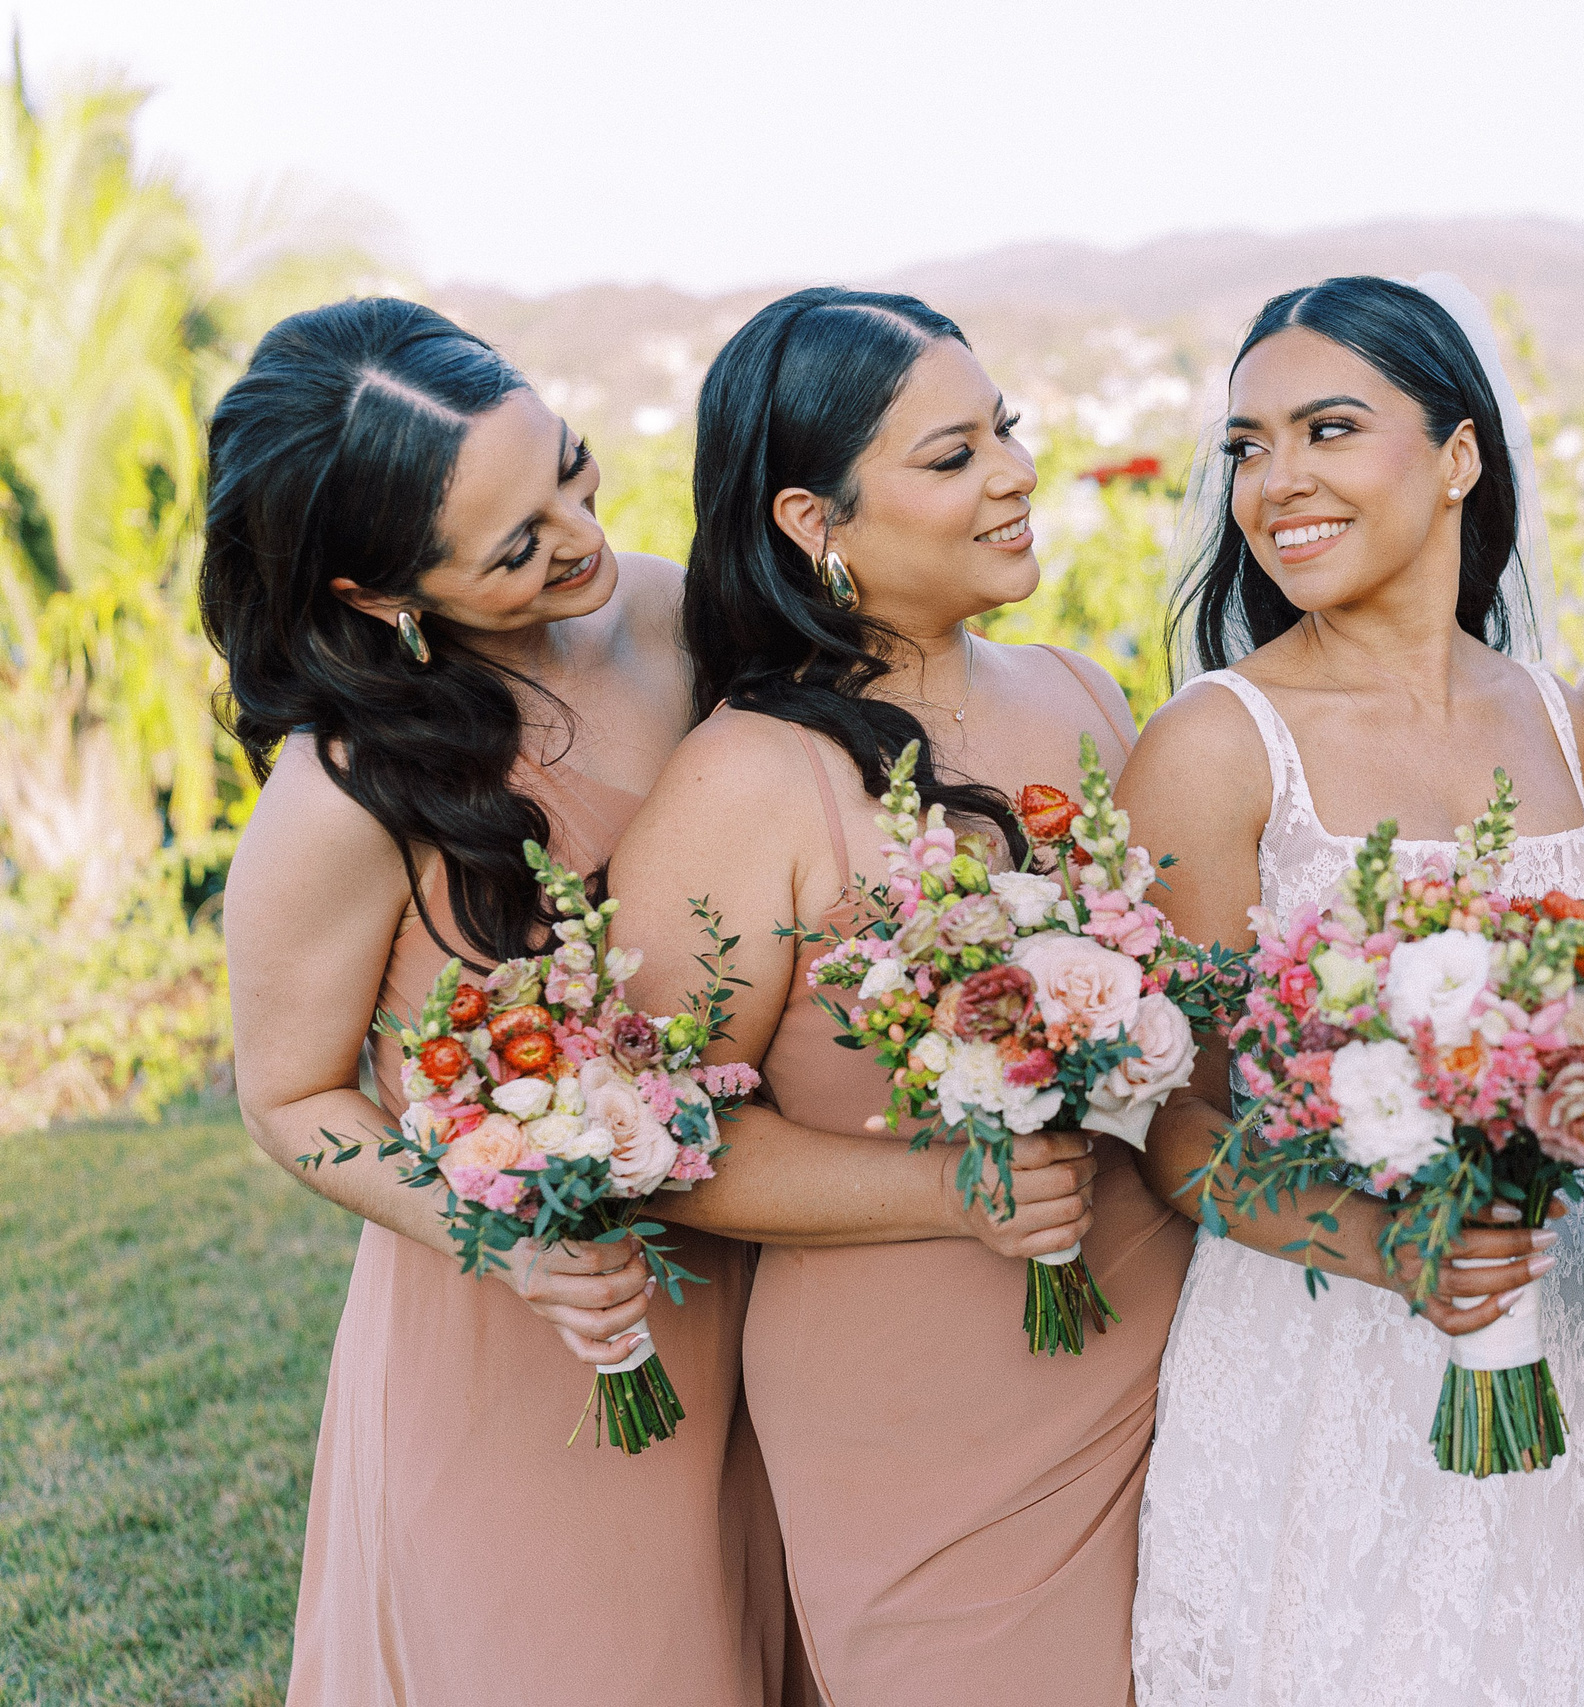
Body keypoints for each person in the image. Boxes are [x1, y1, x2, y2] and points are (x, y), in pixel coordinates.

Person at [1122, 274, 1584, 1706]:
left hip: (1568, 1319)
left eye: (1329, 430)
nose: (1279, 483)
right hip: (1323, 1343)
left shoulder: (1556, 712)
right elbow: (1170, 1130)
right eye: (1248, 448)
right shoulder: (1219, 747)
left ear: (1460, 456)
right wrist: (1389, 1250)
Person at [207, 298, 790, 1706]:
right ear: (375, 594)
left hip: (764, 1275)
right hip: (536, 1336)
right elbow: (292, 1101)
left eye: (571, 472)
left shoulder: (677, 617)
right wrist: (509, 1241)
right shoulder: (346, 791)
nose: (582, 538)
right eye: (518, 546)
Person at [603, 287, 1173, 1706]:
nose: (1015, 475)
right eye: (952, 455)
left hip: (1168, 1341)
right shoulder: (749, 779)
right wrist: (950, 1193)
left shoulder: (1084, 700)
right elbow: (658, 1138)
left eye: (1009, 433)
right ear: (815, 521)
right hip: (920, 1403)